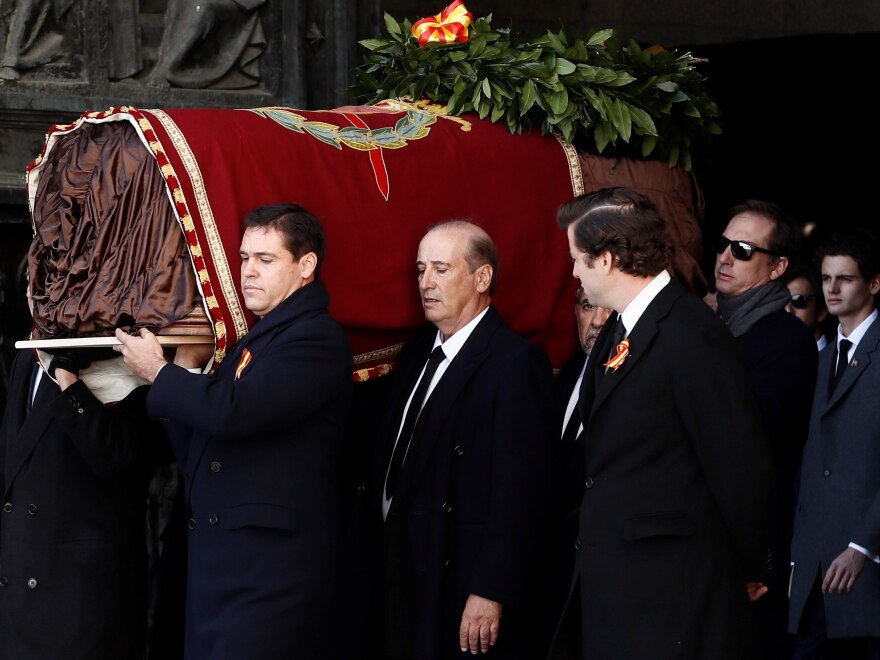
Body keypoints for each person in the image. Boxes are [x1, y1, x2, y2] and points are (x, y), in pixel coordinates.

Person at [115, 203, 353, 660]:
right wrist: (182, 371)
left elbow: (234, 413)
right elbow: (202, 452)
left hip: (269, 575)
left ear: (306, 266)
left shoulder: (315, 338)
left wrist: (160, 374)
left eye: (266, 260)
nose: (249, 271)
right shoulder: (258, 339)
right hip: (221, 568)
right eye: (244, 258)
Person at [556, 186, 774, 659]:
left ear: (608, 259)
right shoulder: (620, 325)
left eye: (577, 258)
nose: (572, 270)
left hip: (671, 592)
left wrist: (755, 565)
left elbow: (737, 461)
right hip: (617, 586)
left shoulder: (692, 334)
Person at [379, 220, 553, 660]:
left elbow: (520, 490)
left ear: (482, 278)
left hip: (457, 573)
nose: (426, 283)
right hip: (403, 565)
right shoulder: (419, 350)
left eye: (441, 269)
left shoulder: (515, 363)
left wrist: (491, 588)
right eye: (420, 270)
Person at [0, 346, 156, 659]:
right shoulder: (25, 354)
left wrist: (67, 378)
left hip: (79, 595)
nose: (40, 295)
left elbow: (117, 456)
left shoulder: (123, 350)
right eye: (35, 291)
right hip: (19, 588)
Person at [713, 199, 818, 659]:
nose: (724, 257)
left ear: (777, 267)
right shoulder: (710, 326)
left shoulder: (787, 340)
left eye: (741, 249)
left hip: (747, 553)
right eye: (723, 245)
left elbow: (753, 447)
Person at [789, 228, 880, 659]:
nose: (832, 289)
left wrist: (863, 545)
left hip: (865, 566)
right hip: (813, 567)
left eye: (844, 278)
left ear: (874, 284)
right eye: (826, 279)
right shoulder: (823, 356)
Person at [526, 285, 611, 659]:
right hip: (543, 577)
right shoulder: (562, 375)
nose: (597, 321)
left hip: (594, 584)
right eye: (588, 306)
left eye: (608, 309)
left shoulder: (632, 388)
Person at [786, 268, 832, 350]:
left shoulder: (839, 357)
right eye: (783, 302)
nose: (788, 310)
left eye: (798, 300)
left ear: (822, 311)